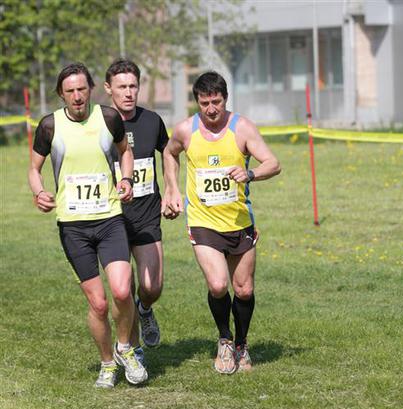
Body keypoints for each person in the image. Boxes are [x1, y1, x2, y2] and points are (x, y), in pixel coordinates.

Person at [28, 62, 148, 388]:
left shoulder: (108, 118)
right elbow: (34, 169)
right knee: (98, 303)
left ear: (91, 89)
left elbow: (125, 152)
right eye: (70, 91)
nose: (77, 96)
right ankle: (107, 364)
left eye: (82, 89)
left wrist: (126, 179)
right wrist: (39, 192)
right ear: (61, 94)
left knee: (122, 290)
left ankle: (125, 348)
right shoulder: (49, 126)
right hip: (73, 226)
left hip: (109, 219)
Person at [162, 71, 281, 374]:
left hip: (239, 220)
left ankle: (241, 344)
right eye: (205, 103)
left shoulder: (242, 128)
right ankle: (225, 339)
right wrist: (171, 188)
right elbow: (169, 153)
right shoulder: (185, 130)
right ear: (197, 102)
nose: (211, 109)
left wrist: (250, 173)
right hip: (203, 221)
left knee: (243, 290)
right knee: (217, 285)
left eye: (216, 102)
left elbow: (273, 163)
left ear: (225, 99)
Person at [104, 59, 169, 350]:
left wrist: (172, 189)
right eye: (122, 87)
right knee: (123, 290)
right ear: (108, 89)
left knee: (152, 286)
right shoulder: (100, 124)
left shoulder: (152, 121)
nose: (129, 92)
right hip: (111, 218)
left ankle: (145, 309)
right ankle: (133, 352)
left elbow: (169, 154)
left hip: (146, 215)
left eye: (133, 86)